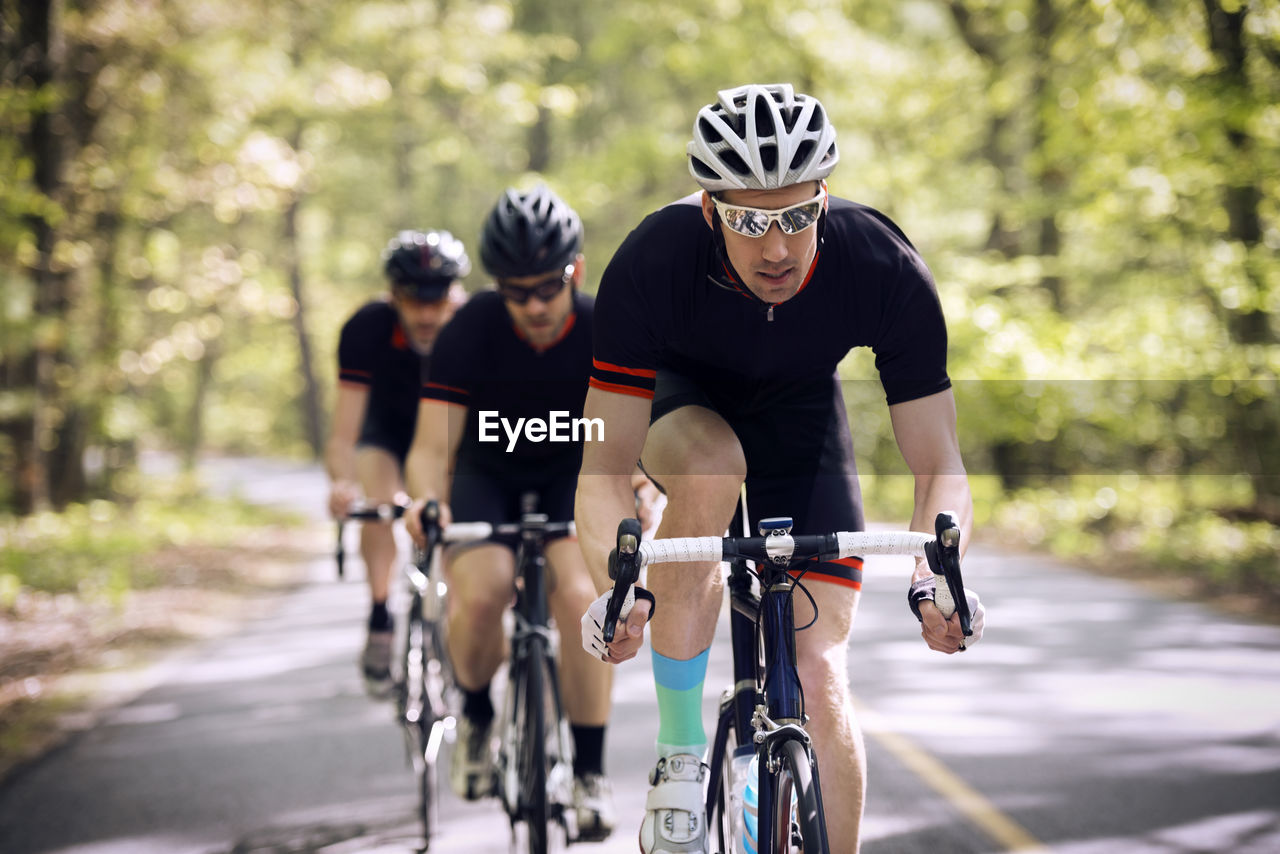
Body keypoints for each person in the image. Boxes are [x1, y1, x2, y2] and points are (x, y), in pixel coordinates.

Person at [574, 83, 987, 854]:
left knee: (820, 671)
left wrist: (938, 572)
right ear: (709, 211)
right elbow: (601, 468)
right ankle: (678, 757)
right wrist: (615, 583)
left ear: (824, 200)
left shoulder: (880, 263)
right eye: (751, 220)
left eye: (797, 216)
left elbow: (940, 465)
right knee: (711, 466)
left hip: (801, 415)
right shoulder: (653, 261)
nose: (777, 247)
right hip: (686, 402)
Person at [404, 185, 652, 840]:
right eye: (517, 291)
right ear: (497, 286)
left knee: (579, 598)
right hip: (488, 476)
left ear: (575, 269)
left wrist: (646, 481)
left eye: (548, 285)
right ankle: (480, 718)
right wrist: (427, 501)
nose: (536, 305)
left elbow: (641, 439)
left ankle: (591, 773)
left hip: (574, 476)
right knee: (481, 594)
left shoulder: (606, 326)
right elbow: (432, 448)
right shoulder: (470, 330)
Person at [326, 229, 469, 690]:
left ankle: (455, 619)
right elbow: (344, 434)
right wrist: (341, 484)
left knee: (454, 515)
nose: (427, 313)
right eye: (413, 300)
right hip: (385, 435)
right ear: (393, 295)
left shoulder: (475, 325)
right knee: (379, 499)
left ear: (456, 293)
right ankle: (381, 611)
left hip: (449, 438)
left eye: (438, 298)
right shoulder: (366, 328)